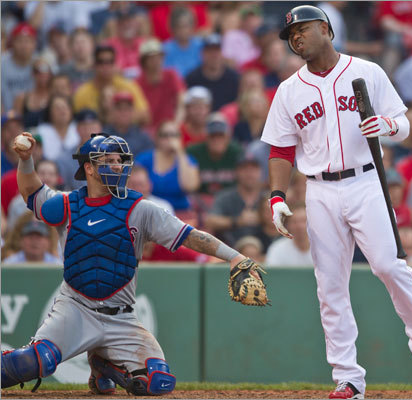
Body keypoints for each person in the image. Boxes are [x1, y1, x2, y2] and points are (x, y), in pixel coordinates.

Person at [261, 5, 412, 398]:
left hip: (366, 180)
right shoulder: (289, 90)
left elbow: (404, 124)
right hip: (319, 189)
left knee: (389, 266)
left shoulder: (367, 71)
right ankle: (348, 377)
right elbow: (280, 150)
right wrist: (277, 195)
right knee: (330, 285)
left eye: (302, 30)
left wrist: (387, 125)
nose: (296, 38)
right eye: (291, 35)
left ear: (326, 29)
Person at [2, 131, 254, 396]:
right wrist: (26, 160)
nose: (116, 165)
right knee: (31, 362)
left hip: (121, 316)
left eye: (119, 160)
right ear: (89, 168)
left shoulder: (140, 208)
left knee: (158, 381)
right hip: (75, 308)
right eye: (108, 160)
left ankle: (104, 364)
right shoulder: (68, 204)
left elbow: (190, 235)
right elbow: (32, 193)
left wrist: (234, 256)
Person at [73, 45, 150, 126]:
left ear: (115, 64)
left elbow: (145, 116)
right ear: (94, 65)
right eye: (101, 62)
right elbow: (75, 123)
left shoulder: (128, 86)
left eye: (110, 62)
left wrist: (119, 115)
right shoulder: (82, 93)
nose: (105, 66)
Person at [135, 120, 200, 213]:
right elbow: (134, 186)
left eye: (175, 135)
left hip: (180, 212)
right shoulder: (144, 159)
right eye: (165, 135)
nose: (170, 139)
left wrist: (180, 152)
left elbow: (190, 186)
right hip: (151, 211)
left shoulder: (187, 160)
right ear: (157, 138)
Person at [206, 155, 264, 248]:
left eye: (253, 169)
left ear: (260, 172)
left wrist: (263, 219)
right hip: (230, 249)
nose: (249, 174)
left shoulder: (267, 197)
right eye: (244, 169)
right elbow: (210, 221)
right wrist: (237, 221)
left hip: (263, 250)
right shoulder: (225, 196)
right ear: (236, 172)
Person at [136, 38, 186, 135]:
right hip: (147, 132)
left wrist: (176, 125)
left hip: (170, 128)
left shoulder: (171, 75)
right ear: (144, 61)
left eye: (159, 57)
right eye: (151, 58)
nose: (156, 61)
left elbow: (181, 102)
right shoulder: (137, 83)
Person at [185, 33, 240, 111]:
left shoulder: (234, 78)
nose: (214, 55)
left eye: (217, 51)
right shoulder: (192, 78)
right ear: (202, 54)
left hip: (227, 117)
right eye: (210, 51)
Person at [1, 23, 37, 112]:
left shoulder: (39, 64)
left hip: (31, 114)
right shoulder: (2, 63)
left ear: (34, 44)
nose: (24, 45)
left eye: (27, 41)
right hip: (5, 114)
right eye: (19, 41)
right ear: (12, 42)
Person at [265, 203, 312, 267]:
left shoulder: (323, 247)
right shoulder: (277, 249)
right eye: (294, 222)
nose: (299, 226)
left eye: (303, 221)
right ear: (287, 225)